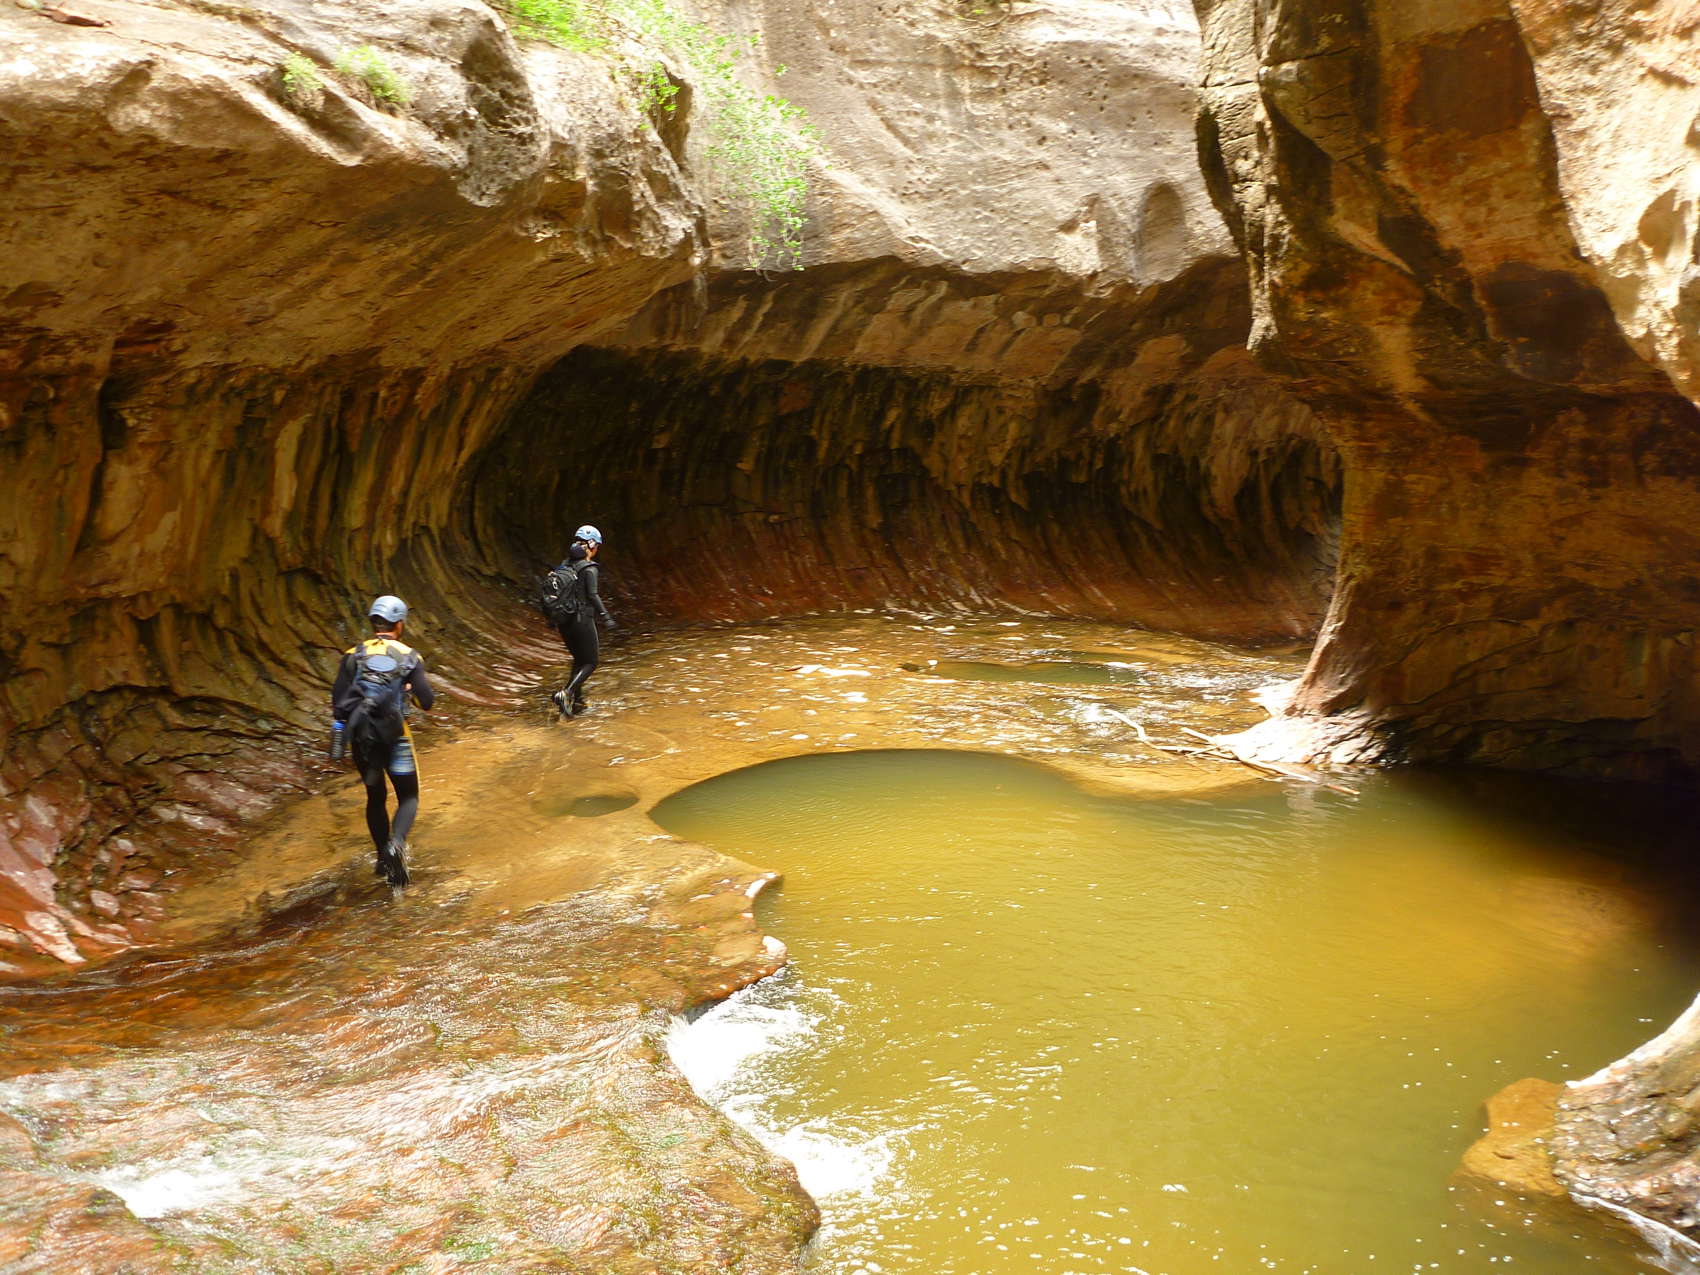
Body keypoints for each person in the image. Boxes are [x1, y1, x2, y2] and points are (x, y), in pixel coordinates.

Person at [331, 595, 435, 885]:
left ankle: (381, 859)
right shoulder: (410, 656)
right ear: (399, 624)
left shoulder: (353, 654)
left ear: (373, 623)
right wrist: (410, 691)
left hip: (362, 737)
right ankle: (396, 844)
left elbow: (339, 701)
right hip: (396, 736)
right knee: (409, 797)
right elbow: (427, 702)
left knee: (375, 797)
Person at [550, 524, 616, 717]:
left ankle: (577, 703)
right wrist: (606, 616)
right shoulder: (589, 568)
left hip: (564, 621)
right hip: (582, 620)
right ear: (592, 545)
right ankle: (567, 693)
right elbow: (593, 595)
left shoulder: (565, 565)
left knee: (579, 660)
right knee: (591, 662)